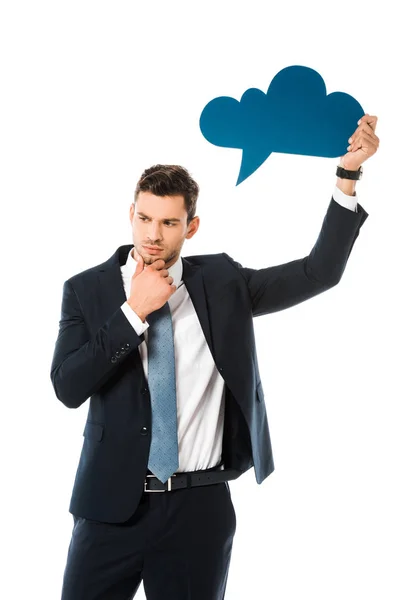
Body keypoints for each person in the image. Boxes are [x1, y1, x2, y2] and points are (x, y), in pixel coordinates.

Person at [50, 115, 379, 599]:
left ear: (192, 226)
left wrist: (347, 175)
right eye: (144, 218)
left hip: (198, 509)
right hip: (109, 508)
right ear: (131, 214)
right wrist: (133, 312)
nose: (153, 235)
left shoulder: (223, 282)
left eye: (168, 222)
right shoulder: (87, 290)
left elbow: (318, 272)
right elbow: (67, 387)